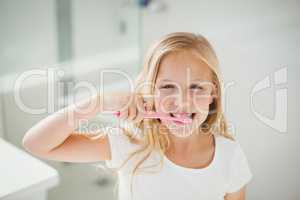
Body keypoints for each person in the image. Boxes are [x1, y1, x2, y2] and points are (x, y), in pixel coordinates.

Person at [23, 32, 253, 200]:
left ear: (213, 93)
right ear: (149, 92)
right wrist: (98, 102)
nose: (182, 101)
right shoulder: (129, 143)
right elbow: (36, 144)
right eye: (167, 87)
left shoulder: (230, 156)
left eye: (196, 87)